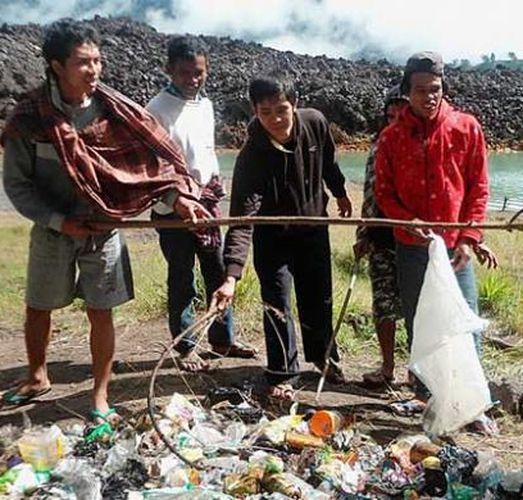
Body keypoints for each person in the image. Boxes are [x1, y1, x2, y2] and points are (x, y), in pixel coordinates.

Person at [1, 19, 208, 439]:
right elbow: (17, 185)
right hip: (54, 228)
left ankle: (99, 395)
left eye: (97, 61)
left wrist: (178, 199)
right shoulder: (29, 118)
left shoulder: (118, 112)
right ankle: (38, 374)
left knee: (101, 310)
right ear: (56, 65)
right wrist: (60, 221)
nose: (93, 70)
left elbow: (152, 167)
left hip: (105, 229)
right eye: (83, 62)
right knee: (39, 306)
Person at [374, 51, 498, 429]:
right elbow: (385, 192)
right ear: (406, 92)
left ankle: (472, 406)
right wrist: (404, 220)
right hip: (413, 249)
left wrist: (469, 237)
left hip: (455, 248)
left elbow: (478, 187)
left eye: (436, 89)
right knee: (423, 323)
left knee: (463, 322)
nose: (429, 97)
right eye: (420, 90)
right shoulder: (392, 137)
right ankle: (431, 400)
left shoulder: (466, 127)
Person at [212, 74, 353, 400]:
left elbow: (328, 161)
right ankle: (281, 371)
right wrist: (232, 275)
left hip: (314, 229)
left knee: (319, 297)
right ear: (255, 112)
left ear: (295, 104)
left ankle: (323, 356)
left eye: (281, 110)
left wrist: (340, 191)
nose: (275, 120)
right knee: (276, 302)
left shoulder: (315, 123)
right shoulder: (251, 156)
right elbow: (242, 219)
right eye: (265, 112)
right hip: (272, 239)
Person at [146, 36, 256, 372]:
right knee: (182, 277)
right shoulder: (155, 110)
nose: (192, 79)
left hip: (206, 203)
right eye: (184, 73)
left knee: (217, 271)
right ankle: (185, 347)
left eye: (199, 72)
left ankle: (223, 339)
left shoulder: (205, 104)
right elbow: (154, 165)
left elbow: (204, 154)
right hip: (174, 208)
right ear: (169, 70)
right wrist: (179, 197)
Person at [352, 85, 408, 387]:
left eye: (400, 116)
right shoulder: (377, 146)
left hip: (415, 240)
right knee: (383, 305)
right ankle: (387, 368)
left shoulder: (419, 146)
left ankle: (418, 374)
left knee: (417, 309)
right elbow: (369, 195)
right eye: (389, 116)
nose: (394, 122)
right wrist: (363, 233)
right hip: (381, 238)